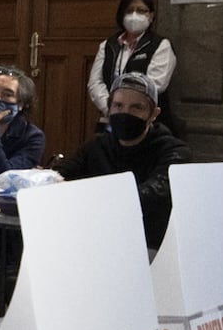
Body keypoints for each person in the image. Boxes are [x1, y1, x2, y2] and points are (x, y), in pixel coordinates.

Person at [53, 72, 191, 251]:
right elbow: (61, 174)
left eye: (136, 108)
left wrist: (95, 199)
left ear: (154, 114)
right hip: (97, 240)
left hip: (150, 246)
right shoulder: (96, 145)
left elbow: (154, 193)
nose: (125, 113)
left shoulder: (174, 152)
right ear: (108, 109)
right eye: (118, 105)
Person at [87, 0, 180, 135]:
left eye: (141, 11)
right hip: (111, 120)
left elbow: (156, 84)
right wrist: (112, 108)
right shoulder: (108, 45)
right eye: (130, 10)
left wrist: (126, 107)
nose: (135, 15)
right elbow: (95, 82)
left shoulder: (160, 45)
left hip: (147, 123)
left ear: (151, 16)